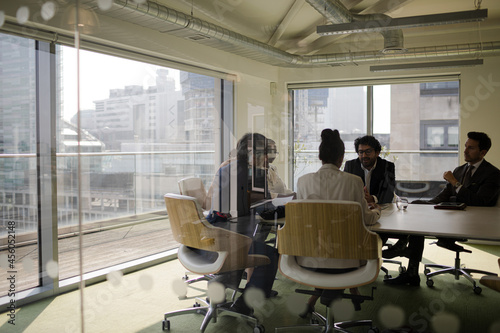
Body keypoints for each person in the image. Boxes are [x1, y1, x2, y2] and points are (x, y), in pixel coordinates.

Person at [384, 131, 500, 286]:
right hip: (452, 217)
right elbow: (444, 196)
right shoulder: (460, 170)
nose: (465, 150)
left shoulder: (492, 174)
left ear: (483, 152)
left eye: (470, 148)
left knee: (420, 223)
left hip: (473, 222)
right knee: (417, 208)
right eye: (465, 146)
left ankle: (405, 253)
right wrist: (423, 205)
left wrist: (456, 184)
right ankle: (410, 269)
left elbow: (481, 202)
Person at [296, 129, 382, 315]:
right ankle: (349, 290)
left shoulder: (303, 182)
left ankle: (319, 299)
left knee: (327, 251)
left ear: (320, 156)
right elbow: (366, 219)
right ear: (341, 157)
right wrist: (376, 211)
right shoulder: (354, 181)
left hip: (310, 257)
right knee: (342, 249)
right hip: (346, 259)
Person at [207, 133, 279, 316]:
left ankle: (217, 290)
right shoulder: (255, 175)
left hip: (212, 235)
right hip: (232, 238)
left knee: (246, 244)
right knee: (269, 255)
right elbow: (263, 208)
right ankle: (245, 303)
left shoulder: (225, 168)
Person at [344, 135, 395, 205]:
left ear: (377, 153)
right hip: (357, 208)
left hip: (380, 208)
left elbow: (389, 194)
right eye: (361, 152)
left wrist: (373, 198)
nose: (364, 155)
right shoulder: (350, 166)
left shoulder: (387, 167)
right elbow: (345, 191)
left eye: (368, 151)